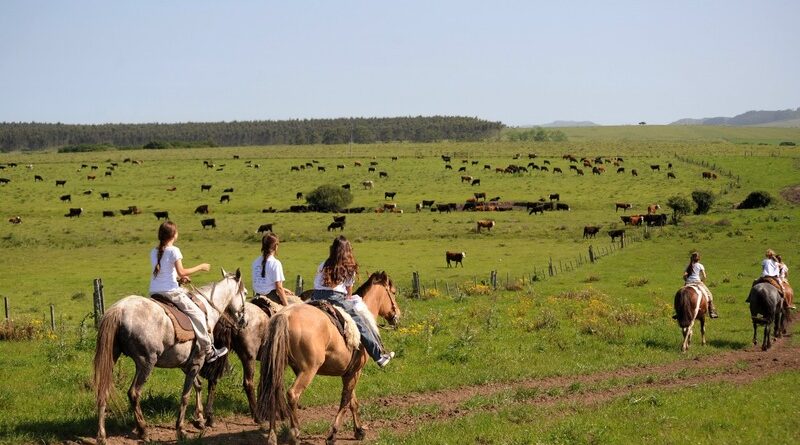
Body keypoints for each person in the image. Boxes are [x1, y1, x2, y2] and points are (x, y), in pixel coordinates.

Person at [310, 235, 394, 368]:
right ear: (347, 251)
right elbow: (349, 293)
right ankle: (378, 356)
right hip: (335, 298)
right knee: (360, 322)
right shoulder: (349, 268)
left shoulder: (323, 264)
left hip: (316, 296)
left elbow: (316, 284)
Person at [150, 221, 227, 363]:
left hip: (155, 291)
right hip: (171, 292)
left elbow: (167, 273)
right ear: (174, 235)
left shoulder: (154, 251)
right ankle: (209, 350)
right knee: (198, 314)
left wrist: (180, 279)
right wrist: (201, 267)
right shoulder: (174, 250)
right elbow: (182, 271)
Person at [252, 233, 291, 305]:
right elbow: (279, 288)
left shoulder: (255, 262)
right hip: (271, 297)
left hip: (256, 297)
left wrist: (284, 289)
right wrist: (286, 305)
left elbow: (263, 283)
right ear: (276, 246)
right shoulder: (275, 263)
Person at [679, 251, 718, 318]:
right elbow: (704, 276)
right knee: (709, 295)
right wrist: (702, 281)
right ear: (699, 258)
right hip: (697, 282)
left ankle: (679, 312)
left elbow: (684, 275)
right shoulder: (700, 265)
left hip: (688, 283)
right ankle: (711, 312)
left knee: (681, 296)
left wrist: (686, 280)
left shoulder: (688, 266)